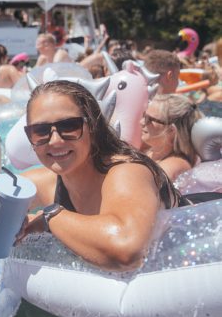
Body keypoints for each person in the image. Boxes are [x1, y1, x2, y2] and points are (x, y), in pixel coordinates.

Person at [17, 80, 180, 271]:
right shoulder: (46, 181)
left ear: (93, 127)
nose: (55, 140)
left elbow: (127, 252)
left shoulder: (126, 171)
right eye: (40, 131)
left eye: (69, 126)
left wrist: (50, 216)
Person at [140, 94, 202, 182]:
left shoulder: (173, 167)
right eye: (144, 116)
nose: (141, 122)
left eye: (149, 119)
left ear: (171, 130)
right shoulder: (151, 152)